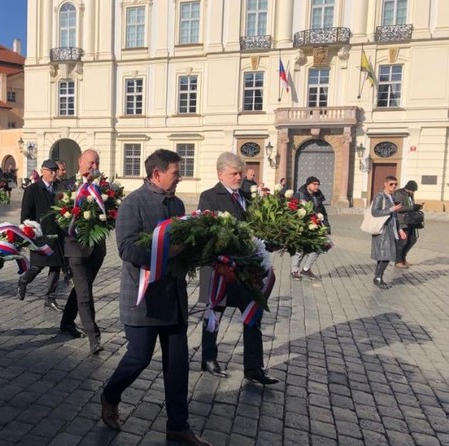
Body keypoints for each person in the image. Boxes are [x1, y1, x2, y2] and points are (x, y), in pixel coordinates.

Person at [100, 149, 211, 446]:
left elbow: (183, 244)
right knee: (138, 358)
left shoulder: (176, 202)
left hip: (173, 298)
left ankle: (178, 425)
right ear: (157, 173)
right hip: (143, 298)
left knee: (177, 366)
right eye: (176, 172)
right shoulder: (132, 204)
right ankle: (110, 394)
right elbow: (127, 249)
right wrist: (168, 252)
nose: (180, 177)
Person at [197, 152, 279, 385]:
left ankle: (254, 368)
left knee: (253, 315)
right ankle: (209, 358)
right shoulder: (209, 197)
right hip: (220, 268)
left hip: (247, 269)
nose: (239, 177)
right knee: (214, 312)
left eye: (241, 173)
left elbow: (259, 230)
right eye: (234, 173)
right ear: (220, 173)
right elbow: (207, 231)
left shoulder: (248, 197)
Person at [58, 149, 106, 354]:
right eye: (90, 163)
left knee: (81, 289)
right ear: (80, 162)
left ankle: (66, 322)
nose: (94, 167)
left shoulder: (103, 187)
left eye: (96, 163)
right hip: (75, 248)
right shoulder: (67, 186)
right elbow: (60, 218)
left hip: (97, 249)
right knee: (85, 293)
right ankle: (94, 337)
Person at [16, 159, 66, 312]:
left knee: (56, 266)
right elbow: (26, 214)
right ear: (42, 171)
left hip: (57, 234)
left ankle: (50, 299)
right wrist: (28, 232)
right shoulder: (32, 190)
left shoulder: (59, 188)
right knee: (38, 265)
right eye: (50, 171)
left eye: (55, 171)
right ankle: (23, 280)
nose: (53, 174)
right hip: (40, 234)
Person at [290, 176, 331, 280]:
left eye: (318, 184)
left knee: (320, 247)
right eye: (314, 184)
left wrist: (326, 226)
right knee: (301, 249)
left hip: (316, 226)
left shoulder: (318, 196)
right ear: (308, 184)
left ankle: (306, 269)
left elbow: (323, 213)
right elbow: (291, 209)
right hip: (303, 226)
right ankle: (294, 271)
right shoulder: (299, 194)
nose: (316, 186)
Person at [371, 176, 406, 289]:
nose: (394, 186)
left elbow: (395, 216)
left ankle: (378, 277)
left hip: (391, 229)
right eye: (391, 184)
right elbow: (375, 212)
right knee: (386, 255)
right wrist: (391, 209)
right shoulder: (380, 196)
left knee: (384, 255)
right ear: (385, 184)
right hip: (382, 230)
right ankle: (378, 277)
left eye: (395, 184)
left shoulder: (392, 197)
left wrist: (400, 229)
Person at [394, 180, 421, 268]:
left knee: (412, 240)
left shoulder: (410, 194)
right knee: (402, 242)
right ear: (408, 188)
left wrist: (416, 207)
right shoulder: (399, 194)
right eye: (413, 190)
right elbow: (398, 208)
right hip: (402, 221)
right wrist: (412, 207)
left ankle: (403, 259)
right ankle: (398, 261)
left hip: (410, 221)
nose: (413, 192)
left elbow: (410, 205)